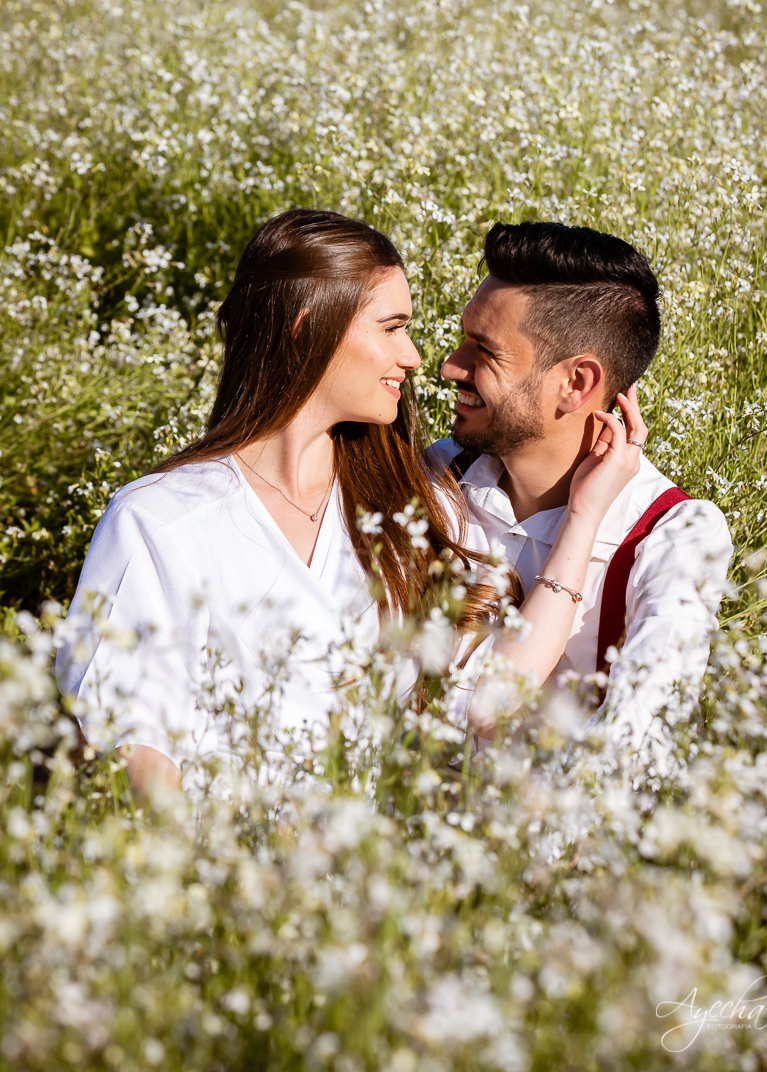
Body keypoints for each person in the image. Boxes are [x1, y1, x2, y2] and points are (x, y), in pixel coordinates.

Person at [56, 209, 646, 802]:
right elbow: (130, 743)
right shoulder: (161, 521)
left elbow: (493, 698)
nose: (417, 357)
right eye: (392, 327)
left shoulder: (413, 502)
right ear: (310, 328)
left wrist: (584, 514)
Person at [430, 220, 733, 767]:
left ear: (576, 383)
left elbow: (632, 757)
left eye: (484, 351)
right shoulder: (436, 479)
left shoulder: (670, 535)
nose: (450, 366)